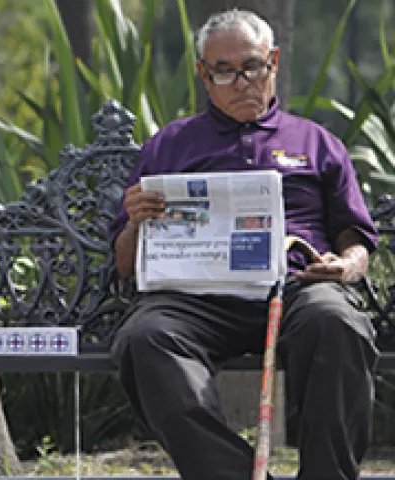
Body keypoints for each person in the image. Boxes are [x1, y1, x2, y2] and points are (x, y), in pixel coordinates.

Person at [109, 8, 378, 479]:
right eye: (225, 71)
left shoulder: (316, 142)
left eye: (252, 66)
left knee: (338, 321)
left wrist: (346, 267)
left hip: (296, 287)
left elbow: (357, 241)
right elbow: (125, 264)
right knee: (143, 338)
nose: (242, 82)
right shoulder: (169, 146)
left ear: (272, 61)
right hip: (196, 297)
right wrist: (134, 223)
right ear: (204, 75)